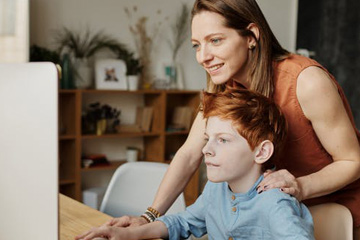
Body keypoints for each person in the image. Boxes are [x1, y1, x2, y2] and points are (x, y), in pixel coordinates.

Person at [84, 0, 360, 237]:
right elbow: (190, 153)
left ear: (251, 35)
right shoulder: (223, 86)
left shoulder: (306, 81)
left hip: (336, 215)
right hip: (267, 215)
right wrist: (148, 217)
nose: (203, 56)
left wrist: (301, 186)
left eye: (215, 40)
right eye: (196, 45)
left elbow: (352, 161)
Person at [76, 88, 315, 240]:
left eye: (222, 140)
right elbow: (183, 221)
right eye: (208, 138)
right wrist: (129, 235)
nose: (206, 149)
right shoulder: (217, 189)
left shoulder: (275, 203)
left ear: (261, 152)